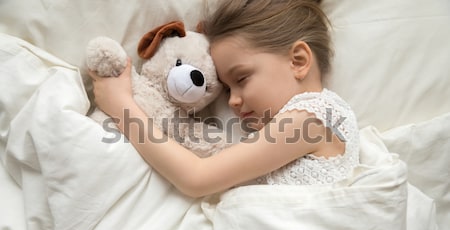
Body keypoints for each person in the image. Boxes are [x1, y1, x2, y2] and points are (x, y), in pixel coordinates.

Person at [89, 0, 359, 197]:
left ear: (298, 61)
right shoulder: (326, 116)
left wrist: (123, 108)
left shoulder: (309, 119)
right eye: (228, 90)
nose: (232, 102)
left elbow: (197, 178)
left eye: (241, 79)